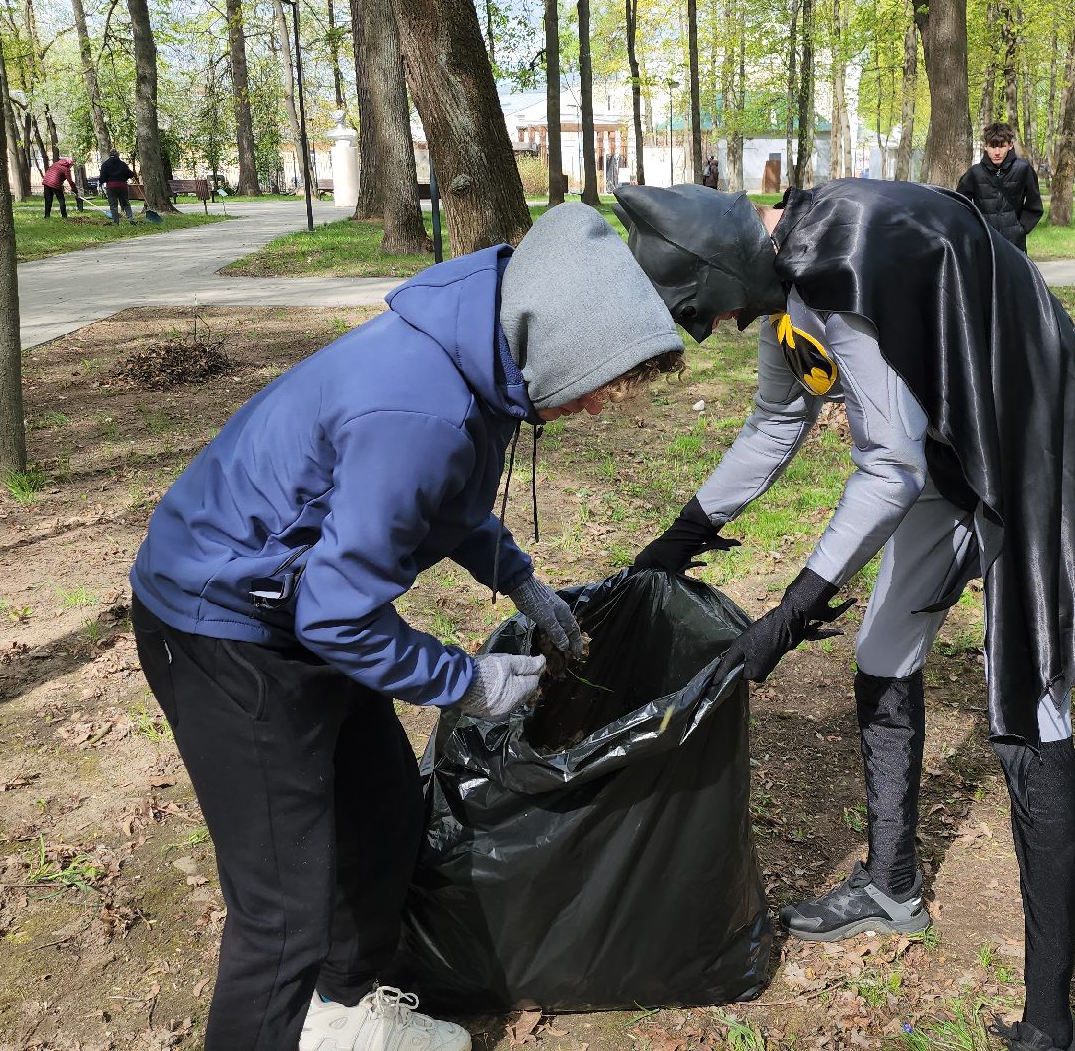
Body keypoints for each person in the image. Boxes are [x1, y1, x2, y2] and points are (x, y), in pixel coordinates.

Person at [615, 181, 1075, 1051]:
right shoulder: (784, 291)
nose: (733, 327)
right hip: (941, 450)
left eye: (724, 312)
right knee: (883, 654)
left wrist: (794, 607)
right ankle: (890, 887)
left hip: (1020, 449)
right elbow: (777, 423)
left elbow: (888, 466)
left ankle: (1049, 1020)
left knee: (1028, 711)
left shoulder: (839, 270)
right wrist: (679, 538)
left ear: (731, 264)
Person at [128, 202, 683, 1051]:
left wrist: (523, 583)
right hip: (220, 625)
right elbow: (337, 612)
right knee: (282, 913)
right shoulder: (423, 410)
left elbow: (448, 504)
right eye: (605, 385)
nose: (604, 408)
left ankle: (345, 1018)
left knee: (384, 813)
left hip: (294, 607)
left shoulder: (478, 354)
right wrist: (470, 681)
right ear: (560, 344)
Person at [955, 123, 1044, 254]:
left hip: (1014, 245)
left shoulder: (1023, 169)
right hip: (985, 242)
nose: (997, 152)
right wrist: (976, 230)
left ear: (1010, 145)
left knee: (1014, 275)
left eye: (1002, 146)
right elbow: (960, 206)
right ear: (986, 146)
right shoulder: (975, 173)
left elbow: (1035, 206)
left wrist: (1020, 230)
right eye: (992, 146)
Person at [99, 150, 137, 224]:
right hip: (122, 185)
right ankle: (130, 219)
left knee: (113, 205)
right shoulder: (123, 164)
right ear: (118, 155)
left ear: (110, 155)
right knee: (126, 203)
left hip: (111, 186)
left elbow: (102, 177)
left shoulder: (105, 164)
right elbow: (130, 174)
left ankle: (116, 222)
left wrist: (101, 182)